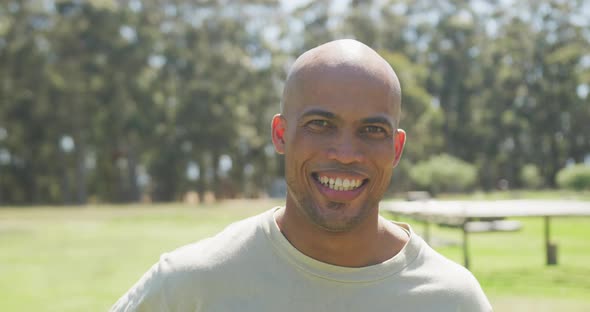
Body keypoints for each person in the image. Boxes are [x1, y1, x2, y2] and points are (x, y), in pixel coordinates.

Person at [111, 39, 492, 312]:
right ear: (280, 135)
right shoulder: (192, 284)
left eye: (371, 130)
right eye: (320, 124)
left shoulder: (452, 298)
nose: (345, 154)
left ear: (396, 148)